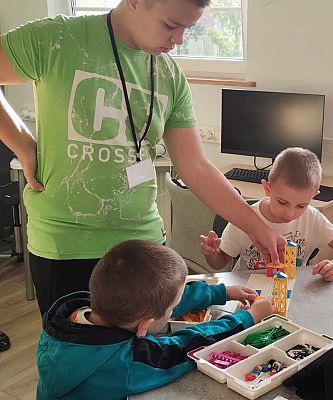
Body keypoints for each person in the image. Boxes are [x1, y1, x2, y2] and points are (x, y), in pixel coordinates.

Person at [0, 0, 285, 315]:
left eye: (187, 29)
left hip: (143, 248)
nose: (178, 40)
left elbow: (196, 167)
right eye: (170, 25)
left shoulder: (170, 76)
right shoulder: (56, 39)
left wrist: (257, 226)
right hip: (65, 246)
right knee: (79, 357)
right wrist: (23, 145)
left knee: (150, 354)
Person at [36, 239, 274, 399]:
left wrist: (219, 292)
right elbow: (190, 344)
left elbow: (154, 300)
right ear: (145, 326)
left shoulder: (66, 316)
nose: (173, 310)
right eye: (172, 310)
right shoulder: (128, 363)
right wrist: (249, 317)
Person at [200, 147, 333, 281]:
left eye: (301, 205)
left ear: (313, 196)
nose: (290, 213)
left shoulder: (312, 218)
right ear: (267, 189)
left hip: (291, 289)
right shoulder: (245, 218)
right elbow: (219, 262)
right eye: (282, 202)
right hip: (247, 291)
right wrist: (212, 253)